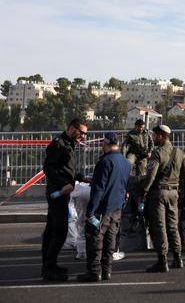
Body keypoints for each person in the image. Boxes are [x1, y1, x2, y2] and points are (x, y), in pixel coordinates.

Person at [77, 133, 131, 282]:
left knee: (95, 240)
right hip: (117, 208)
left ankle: (94, 272)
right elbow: (121, 185)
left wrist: (91, 212)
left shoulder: (104, 162)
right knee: (110, 241)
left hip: (102, 209)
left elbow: (99, 189)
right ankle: (107, 271)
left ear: (106, 143)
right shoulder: (125, 162)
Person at [41, 118, 88, 281]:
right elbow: (48, 168)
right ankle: (48, 269)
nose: (83, 136)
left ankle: (49, 265)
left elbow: (66, 169)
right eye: (81, 132)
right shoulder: (58, 144)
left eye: (85, 133)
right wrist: (63, 184)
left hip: (63, 191)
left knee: (51, 230)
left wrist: (81, 178)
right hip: (57, 193)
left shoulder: (69, 144)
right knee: (59, 232)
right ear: (70, 128)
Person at [141, 125, 185, 273]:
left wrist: (144, 190)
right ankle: (178, 258)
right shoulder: (180, 152)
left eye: (155, 136)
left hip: (159, 194)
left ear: (161, 136)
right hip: (174, 193)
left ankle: (162, 261)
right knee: (173, 226)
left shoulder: (157, 153)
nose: (153, 139)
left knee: (160, 227)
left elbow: (151, 175)